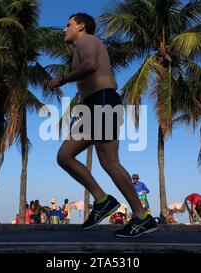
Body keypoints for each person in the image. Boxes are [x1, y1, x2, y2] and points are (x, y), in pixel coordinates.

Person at [48, 13, 157, 237]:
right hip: (93, 105)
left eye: (68, 24)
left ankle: (142, 217)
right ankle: (103, 200)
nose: (64, 29)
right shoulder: (81, 45)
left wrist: (61, 80)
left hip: (103, 101)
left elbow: (90, 65)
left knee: (110, 163)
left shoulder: (87, 40)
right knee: (65, 156)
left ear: (81, 25)